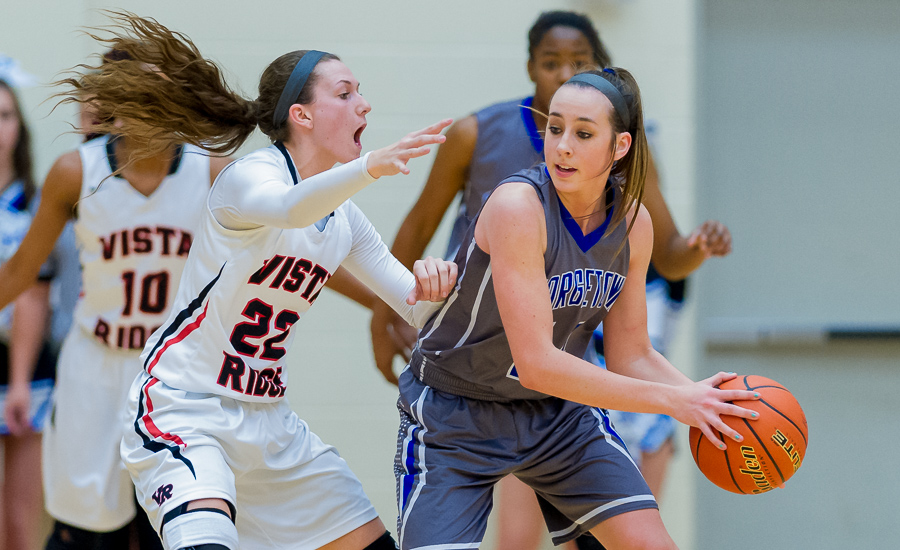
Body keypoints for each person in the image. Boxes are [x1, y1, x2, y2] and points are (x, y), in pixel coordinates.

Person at [62, 13, 457, 550]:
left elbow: (413, 306)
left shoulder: (345, 219)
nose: (364, 104)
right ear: (302, 115)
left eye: (361, 93)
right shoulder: (248, 176)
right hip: (184, 409)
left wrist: (437, 284)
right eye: (345, 93)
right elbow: (289, 209)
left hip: (270, 425)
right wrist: (370, 167)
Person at [394, 68, 759, 550]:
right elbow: (537, 363)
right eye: (555, 128)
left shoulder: (633, 222)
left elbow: (631, 352)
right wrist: (674, 401)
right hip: (457, 412)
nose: (562, 145)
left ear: (620, 146)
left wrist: (699, 398)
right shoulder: (518, 206)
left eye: (583, 133)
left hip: (557, 415)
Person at [0, 46, 235, 548]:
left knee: (173, 527)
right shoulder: (75, 170)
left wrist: (383, 301)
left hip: (176, 374)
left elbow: (295, 246)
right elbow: (21, 272)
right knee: (84, 532)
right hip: (96, 367)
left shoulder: (212, 168)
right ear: (114, 104)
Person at [0, 78, 53, 550]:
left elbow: (34, 294)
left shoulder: (40, 203)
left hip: (30, 364)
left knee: (21, 522)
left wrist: (18, 379)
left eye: (5, 116)